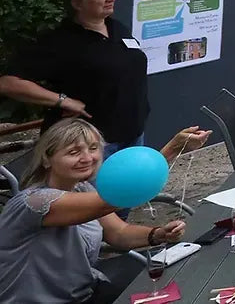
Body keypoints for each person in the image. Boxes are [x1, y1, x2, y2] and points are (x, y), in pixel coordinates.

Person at [0, 119, 209, 304]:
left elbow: (118, 233)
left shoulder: (84, 189)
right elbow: (112, 201)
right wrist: (171, 150)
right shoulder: (33, 202)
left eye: (93, 148)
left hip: (86, 293)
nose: (87, 158)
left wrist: (157, 234)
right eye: (74, 152)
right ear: (47, 159)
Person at [0, 0, 148, 153]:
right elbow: (8, 83)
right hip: (89, 145)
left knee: (132, 183)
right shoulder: (60, 42)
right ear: (77, 3)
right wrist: (62, 101)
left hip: (133, 134)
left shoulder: (117, 27)